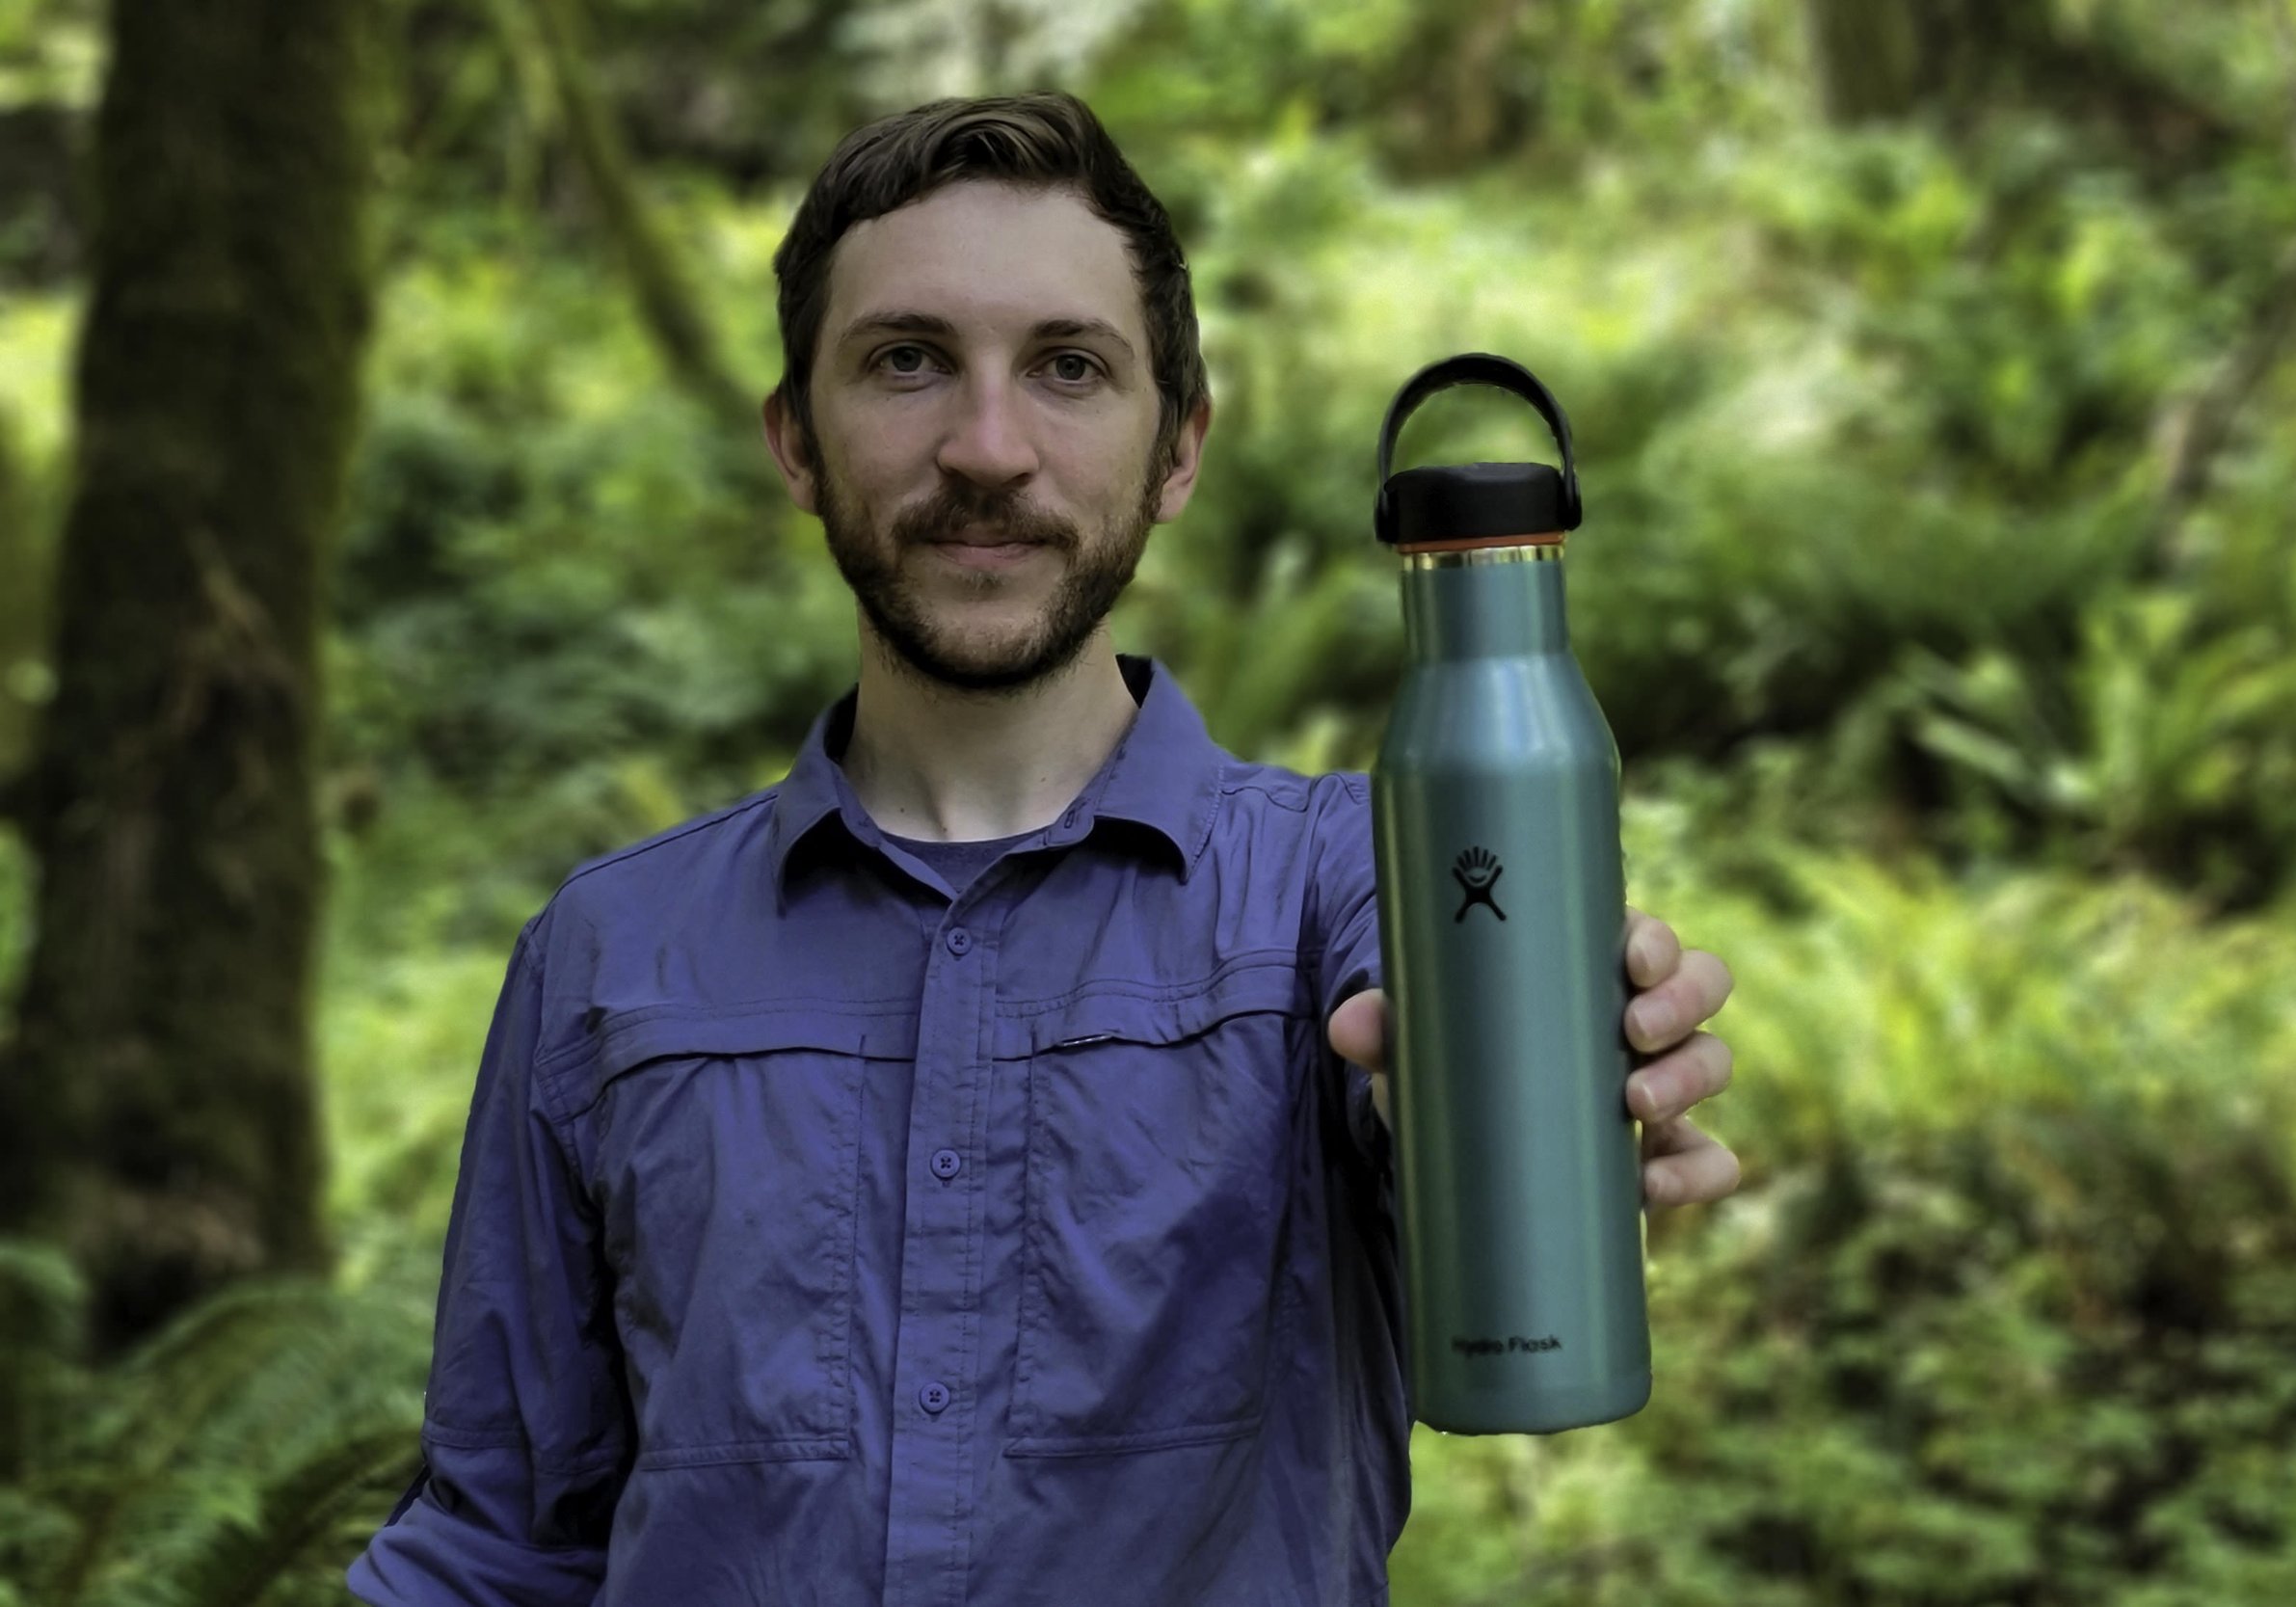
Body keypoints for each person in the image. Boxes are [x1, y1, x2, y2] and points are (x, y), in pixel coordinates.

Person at [349, 90, 1740, 1607]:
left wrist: (1523, 1096)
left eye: (1068, 368)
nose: (987, 448)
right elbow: (493, 1549)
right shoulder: (607, 957)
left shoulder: (1355, 882)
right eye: (907, 362)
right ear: (797, 441)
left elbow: (1432, 1059)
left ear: (1178, 450)